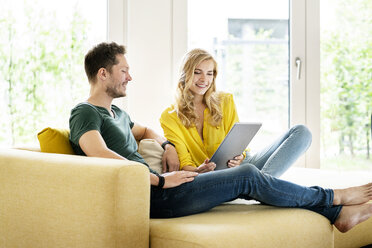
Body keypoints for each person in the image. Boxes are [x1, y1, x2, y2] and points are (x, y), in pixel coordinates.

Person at [69, 42, 372, 234]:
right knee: (249, 176)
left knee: (251, 169)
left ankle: (335, 213)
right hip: (154, 197)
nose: (130, 77)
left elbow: (146, 131)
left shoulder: (118, 115)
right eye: (124, 70)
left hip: (169, 186)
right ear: (103, 74)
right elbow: (99, 154)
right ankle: (333, 198)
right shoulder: (85, 112)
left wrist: (167, 145)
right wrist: (160, 180)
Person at [160, 48, 311, 177]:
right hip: (212, 178)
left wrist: (240, 157)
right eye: (197, 72)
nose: (204, 79)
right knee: (249, 175)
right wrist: (199, 171)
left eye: (210, 73)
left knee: (301, 132)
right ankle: (259, 185)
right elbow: (185, 164)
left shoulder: (225, 100)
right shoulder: (169, 117)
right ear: (185, 74)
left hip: (242, 166)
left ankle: (259, 184)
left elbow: (239, 143)